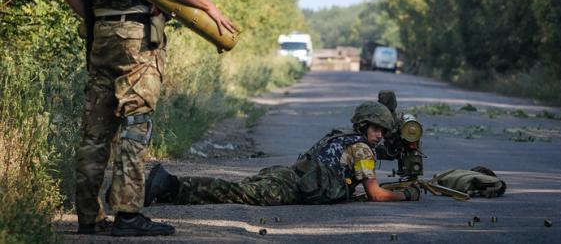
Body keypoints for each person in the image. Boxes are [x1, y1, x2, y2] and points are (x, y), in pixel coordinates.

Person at [57, 0, 235, 236]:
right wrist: (208, 6)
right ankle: (127, 215)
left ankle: (89, 218)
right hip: (137, 39)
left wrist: (93, 20)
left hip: (101, 37)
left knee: (95, 130)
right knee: (135, 123)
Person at [144, 101, 421, 206]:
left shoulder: (344, 137)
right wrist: (405, 194)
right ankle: (168, 183)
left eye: (383, 132)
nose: (379, 135)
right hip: (293, 185)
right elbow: (375, 195)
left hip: (288, 174)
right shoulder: (362, 149)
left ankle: (167, 191)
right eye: (376, 130)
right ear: (364, 126)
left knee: (233, 190)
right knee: (231, 192)